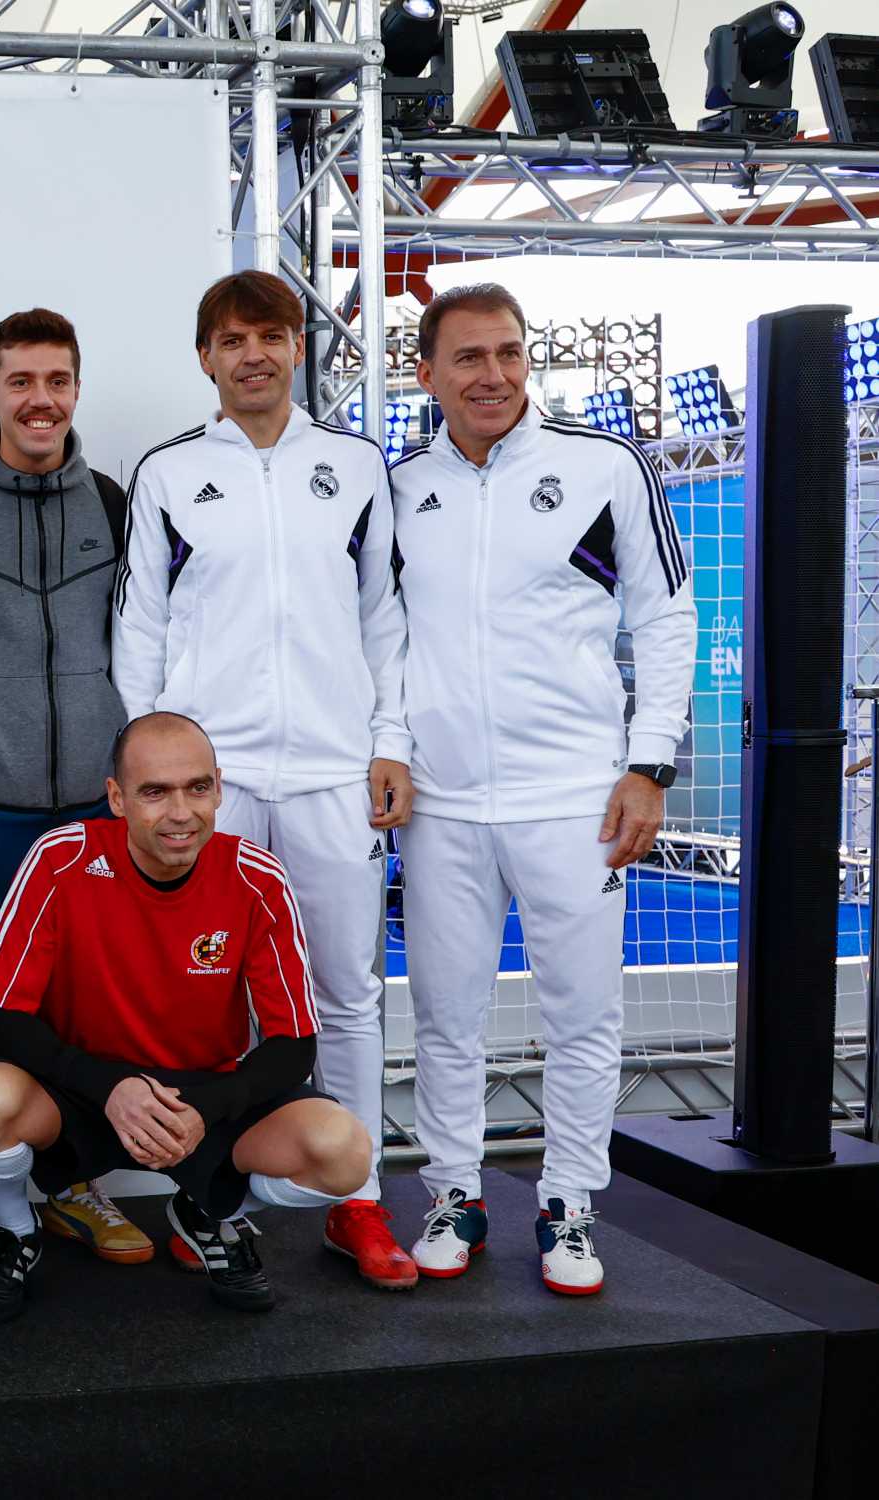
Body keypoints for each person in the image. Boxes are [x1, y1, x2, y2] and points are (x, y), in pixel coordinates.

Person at [389, 283, 693, 1296]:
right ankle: (451, 1192)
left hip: (574, 799)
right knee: (444, 1016)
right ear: (426, 374)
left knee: (580, 1016)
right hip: (441, 804)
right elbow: (380, 635)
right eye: (468, 357)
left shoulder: (602, 465)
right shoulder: (399, 487)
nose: (494, 375)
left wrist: (647, 764)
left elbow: (665, 616)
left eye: (509, 353)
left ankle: (568, 1202)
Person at [113, 270, 414, 1291]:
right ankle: (211, 1200)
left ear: (297, 347)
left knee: (347, 991)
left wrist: (388, 740)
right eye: (233, 339)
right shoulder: (167, 473)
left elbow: (383, 619)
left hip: (333, 772)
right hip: (214, 782)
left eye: (271, 335)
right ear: (205, 357)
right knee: (213, 1001)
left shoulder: (356, 465)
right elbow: (139, 629)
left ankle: (357, 1201)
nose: (253, 354)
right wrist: (154, 771)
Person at [0, 712, 372, 1323]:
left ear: (219, 788)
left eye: (197, 788)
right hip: (83, 1090)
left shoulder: (256, 878)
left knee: (344, 1152)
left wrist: (206, 1108)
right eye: (154, 792)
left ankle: (213, 1215)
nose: (180, 812)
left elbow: (294, 1045)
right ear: (117, 798)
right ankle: (16, 1230)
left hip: (202, 1097)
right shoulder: (61, 859)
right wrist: (111, 1088)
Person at [0, 307, 151, 1275]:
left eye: (56, 381)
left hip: (91, 801)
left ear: (76, 390)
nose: (39, 399)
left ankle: (69, 1181)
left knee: (82, 999)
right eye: (20, 381)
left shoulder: (109, 497)